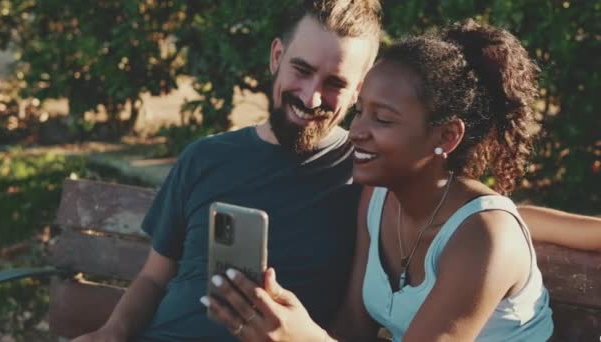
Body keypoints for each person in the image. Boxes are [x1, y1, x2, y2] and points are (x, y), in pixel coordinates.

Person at [74, 2, 600, 341]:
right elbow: (154, 275)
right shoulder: (373, 196)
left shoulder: (396, 187)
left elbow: (489, 222)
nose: (314, 98)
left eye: (340, 86)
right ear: (277, 57)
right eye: (302, 70)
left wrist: (298, 335)